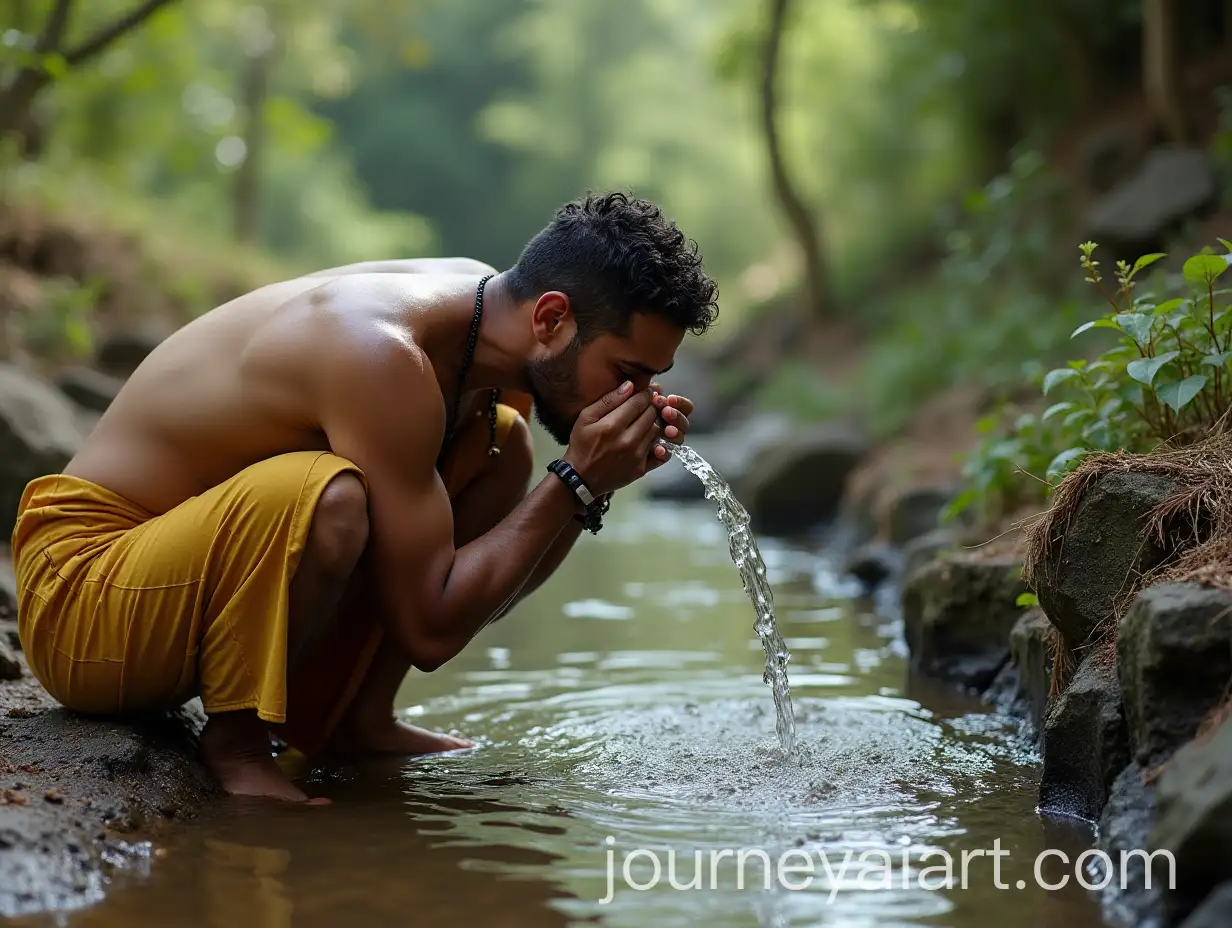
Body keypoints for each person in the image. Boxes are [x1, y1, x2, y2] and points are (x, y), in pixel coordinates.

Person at [11, 192, 719, 803]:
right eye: (626, 373)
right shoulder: (385, 354)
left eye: (650, 380)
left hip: (168, 574)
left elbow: (463, 590)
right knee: (330, 500)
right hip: (81, 596)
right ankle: (236, 745)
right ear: (552, 319)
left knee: (501, 448)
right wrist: (576, 481)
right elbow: (431, 629)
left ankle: (356, 717)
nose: (638, 399)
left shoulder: (482, 320)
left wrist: (585, 487)